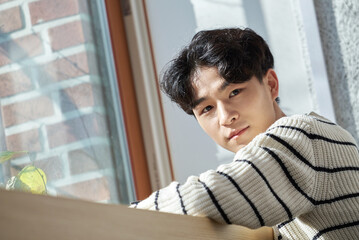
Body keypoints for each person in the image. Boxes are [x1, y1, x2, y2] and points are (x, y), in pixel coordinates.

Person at [130, 28, 359, 239]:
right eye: (206, 108)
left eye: (235, 92)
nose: (225, 117)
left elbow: (207, 196)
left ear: (270, 84)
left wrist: (122, 216)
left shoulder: (302, 136)